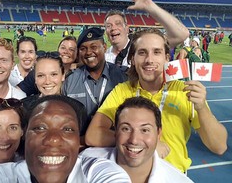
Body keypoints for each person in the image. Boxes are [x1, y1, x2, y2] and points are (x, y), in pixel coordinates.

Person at [85, 28, 227, 173]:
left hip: (174, 177)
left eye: (156, 52)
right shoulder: (122, 91)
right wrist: (148, 144)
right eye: (142, 52)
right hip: (131, 176)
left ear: (167, 58)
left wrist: (201, 107)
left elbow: (219, 146)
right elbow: (92, 135)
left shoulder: (184, 91)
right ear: (132, 59)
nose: (149, 60)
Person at [0, 95, 131, 183]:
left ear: (79, 141)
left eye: (68, 129)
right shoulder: (4, 175)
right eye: (40, 128)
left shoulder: (98, 172)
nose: (53, 139)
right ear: (25, 135)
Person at [81, 97, 193, 182]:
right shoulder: (84, 163)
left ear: (158, 134)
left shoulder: (178, 180)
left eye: (144, 130)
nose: (134, 140)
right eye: (126, 129)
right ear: (115, 132)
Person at [104, 0, 189, 67]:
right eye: (108, 26)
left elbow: (181, 34)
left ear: (127, 29)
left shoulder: (143, 45)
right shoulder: (103, 57)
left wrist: (150, 7)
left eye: (118, 24)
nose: (113, 28)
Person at [62, 27, 128, 123]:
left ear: (104, 47)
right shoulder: (70, 80)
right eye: (83, 49)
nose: (88, 52)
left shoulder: (122, 76)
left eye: (94, 47)